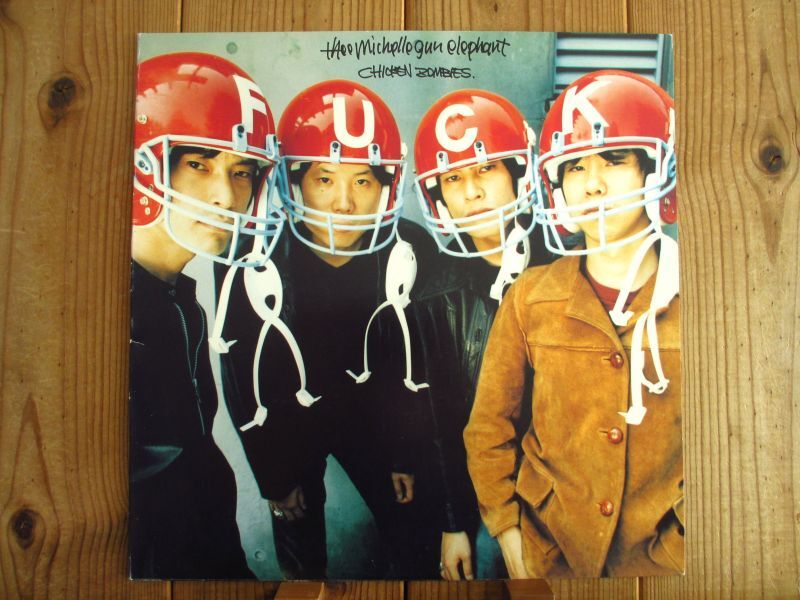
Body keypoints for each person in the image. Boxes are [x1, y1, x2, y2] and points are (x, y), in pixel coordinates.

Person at [464, 70, 682, 578]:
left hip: (658, 562)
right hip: (548, 553)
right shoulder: (530, 295)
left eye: (614, 159)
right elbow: (488, 429)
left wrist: (684, 545)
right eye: (575, 166)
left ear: (655, 171)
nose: (592, 183)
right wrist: (510, 538)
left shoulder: (707, 302)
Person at [218, 80, 438, 579]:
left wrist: (407, 451)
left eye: (362, 181)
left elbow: (416, 364)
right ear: (295, 180)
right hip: (290, 427)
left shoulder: (409, 247)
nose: (343, 204)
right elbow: (240, 371)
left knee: (413, 541)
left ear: (386, 184)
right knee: (301, 559)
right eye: (324, 179)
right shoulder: (254, 255)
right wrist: (272, 474)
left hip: (376, 423)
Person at [128, 51, 283, 579]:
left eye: (242, 172)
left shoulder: (181, 300)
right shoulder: (105, 322)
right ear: (143, 165)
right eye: (199, 164)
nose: (227, 196)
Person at [408, 89, 552, 580]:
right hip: (490, 495)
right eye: (453, 177)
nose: (470, 192)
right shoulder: (434, 292)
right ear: (437, 193)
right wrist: (453, 523)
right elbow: (441, 419)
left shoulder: (567, 262)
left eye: (486, 168)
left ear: (517, 171)